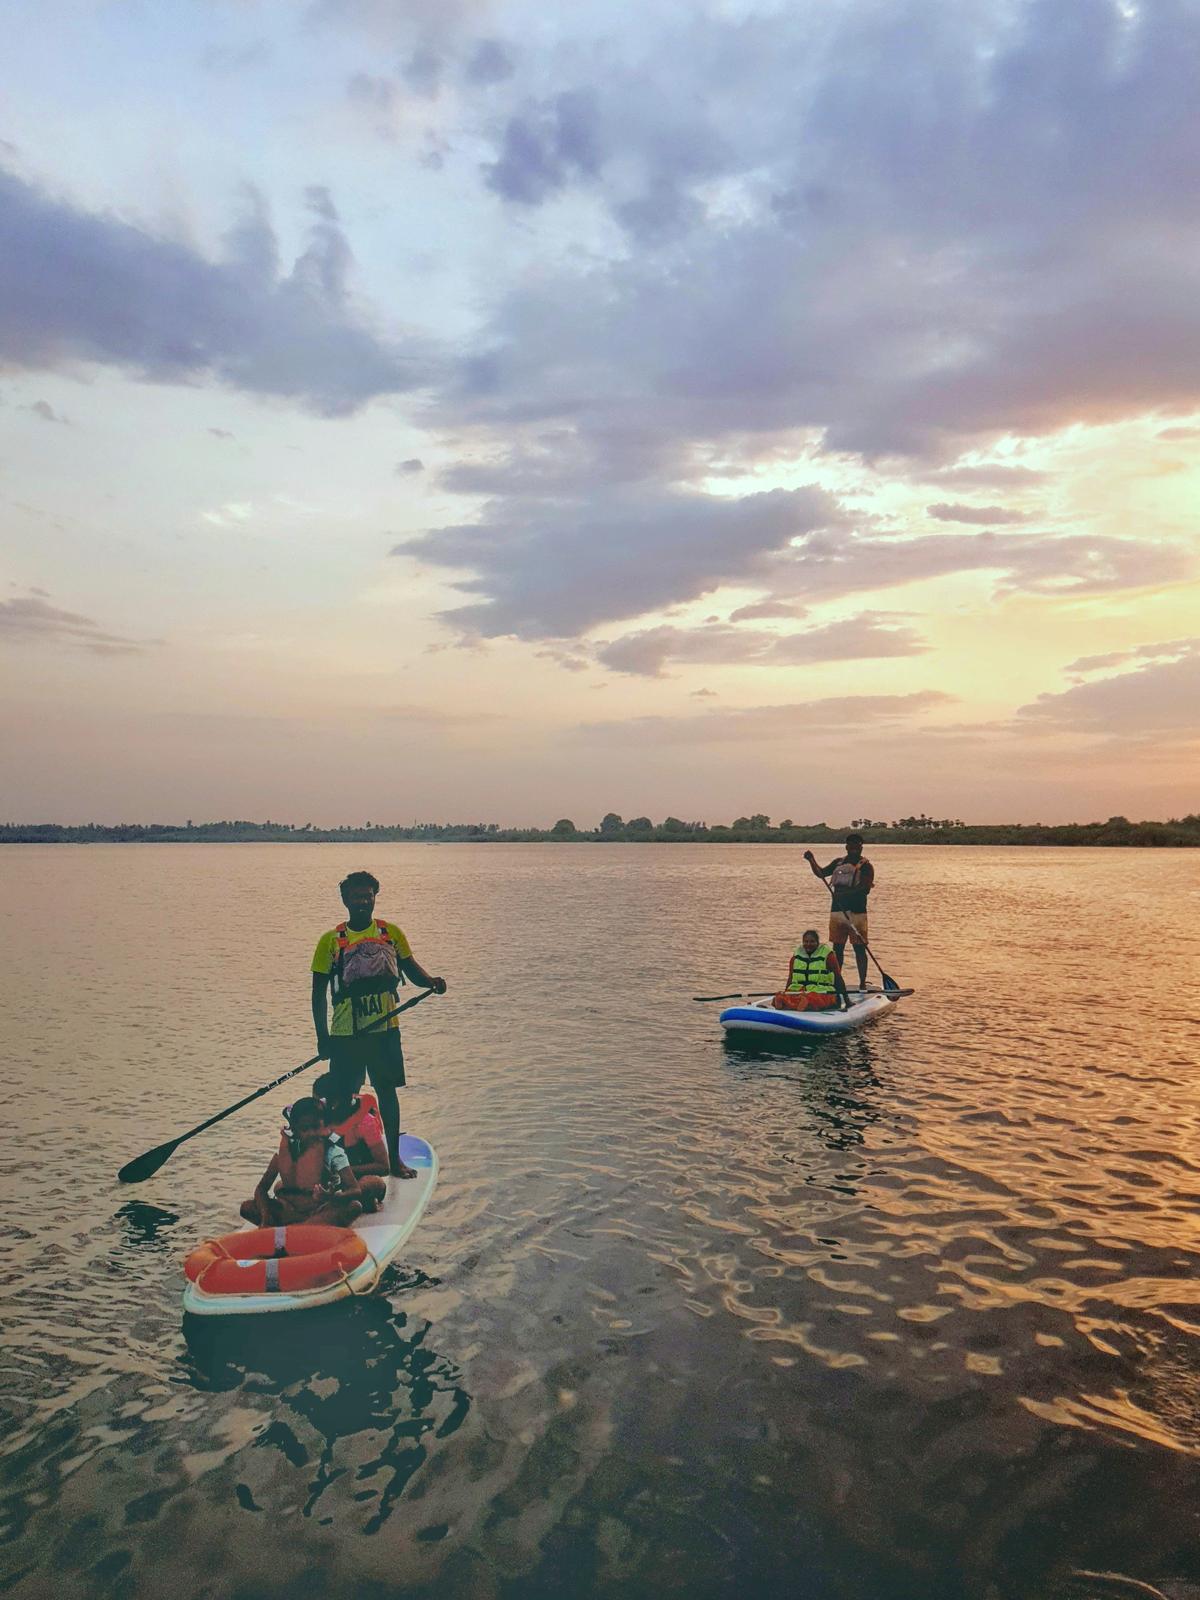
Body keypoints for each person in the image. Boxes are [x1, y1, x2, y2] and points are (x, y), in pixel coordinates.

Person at [311, 870, 446, 1181]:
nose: (362, 902)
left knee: (387, 1093)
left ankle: (394, 1160)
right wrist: (323, 1038)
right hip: (347, 1033)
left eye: (367, 896)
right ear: (345, 900)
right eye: (356, 897)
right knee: (342, 1098)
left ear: (375, 897)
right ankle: (336, 1165)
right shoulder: (331, 941)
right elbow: (318, 993)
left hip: (385, 1031)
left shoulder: (390, 933)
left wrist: (432, 982)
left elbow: (411, 970)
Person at [240, 1096, 380, 1226]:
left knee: (354, 1206)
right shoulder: (284, 1153)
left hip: (319, 1210)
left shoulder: (333, 1152)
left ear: (325, 1126)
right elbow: (261, 1189)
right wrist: (265, 1216)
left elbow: (354, 1190)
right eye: (305, 1129)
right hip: (289, 1211)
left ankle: (300, 1230)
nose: (311, 1133)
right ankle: (302, 1230)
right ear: (295, 1130)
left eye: (315, 1127)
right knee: (247, 1208)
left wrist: (331, 1197)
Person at [804, 833, 875, 990]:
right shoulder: (838, 863)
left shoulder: (866, 866)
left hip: (857, 913)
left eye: (857, 845)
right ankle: (837, 982)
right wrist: (811, 860)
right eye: (851, 845)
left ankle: (862, 983)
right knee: (837, 948)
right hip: (837, 912)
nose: (854, 848)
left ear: (861, 847)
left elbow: (865, 889)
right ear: (846, 847)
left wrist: (843, 894)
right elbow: (821, 873)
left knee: (859, 948)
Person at [313, 1072, 390, 1205]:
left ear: (334, 1103)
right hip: (330, 1179)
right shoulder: (319, 1122)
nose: (314, 1107)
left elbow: (384, 1167)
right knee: (280, 1186)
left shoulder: (365, 1122)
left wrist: (345, 1171)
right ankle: (340, 1200)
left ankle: (342, 1199)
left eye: (317, 1101)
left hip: (358, 1179)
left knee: (374, 1183)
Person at [773, 928, 850, 1011]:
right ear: (803, 943)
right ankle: (788, 1001)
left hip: (821, 991)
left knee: (813, 998)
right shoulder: (795, 957)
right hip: (800, 990)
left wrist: (846, 999)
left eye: (812, 941)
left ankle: (799, 1004)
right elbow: (791, 978)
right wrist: (787, 992)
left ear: (817, 943)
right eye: (806, 942)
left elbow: (838, 978)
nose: (808, 944)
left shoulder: (828, 956)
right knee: (784, 996)